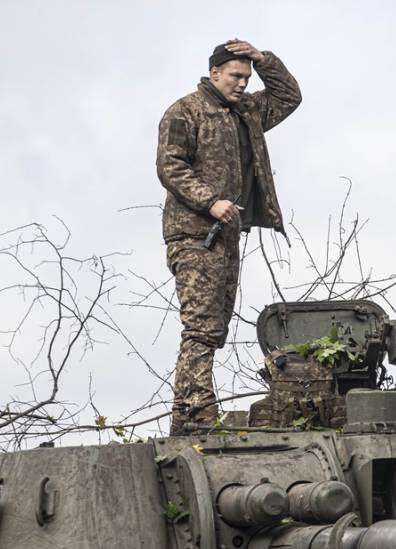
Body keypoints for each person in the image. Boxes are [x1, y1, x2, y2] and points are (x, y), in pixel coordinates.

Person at [157, 39, 301, 436]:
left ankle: (191, 414)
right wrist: (210, 202)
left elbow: (289, 97)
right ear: (214, 72)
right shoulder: (185, 111)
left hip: (228, 235)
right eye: (235, 75)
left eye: (246, 76)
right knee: (201, 327)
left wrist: (264, 60)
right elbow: (170, 166)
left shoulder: (248, 112)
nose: (241, 83)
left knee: (215, 328)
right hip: (194, 233)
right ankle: (195, 417)